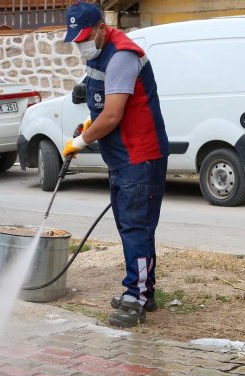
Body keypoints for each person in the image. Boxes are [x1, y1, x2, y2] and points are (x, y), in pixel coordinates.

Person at [61, 1, 169, 328]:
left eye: (84, 38)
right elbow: (100, 107)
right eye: (75, 40)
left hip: (139, 156)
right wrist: (87, 128)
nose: (79, 46)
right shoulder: (99, 55)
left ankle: (134, 298)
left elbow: (112, 115)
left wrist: (81, 141)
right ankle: (143, 291)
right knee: (132, 225)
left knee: (136, 226)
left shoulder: (122, 56)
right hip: (122, 156)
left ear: (101, 29)